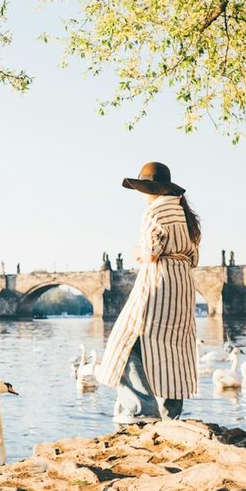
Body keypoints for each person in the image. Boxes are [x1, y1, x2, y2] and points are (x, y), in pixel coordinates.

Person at [98, 162, 201, 422]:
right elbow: (194, 255)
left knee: (125, 342)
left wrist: (138, 253)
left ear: (150, 190)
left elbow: (152, 252)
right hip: (182, 285)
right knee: (172, 348)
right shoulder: (184, 215)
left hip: (158, 283)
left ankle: (141, 409)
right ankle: (171, 415)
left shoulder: (155, 212)